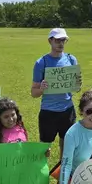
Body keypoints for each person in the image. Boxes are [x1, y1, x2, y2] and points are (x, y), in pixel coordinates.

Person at [31, 28, 82, 160]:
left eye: (63, 40)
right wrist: (41, 89)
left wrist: (77, 84)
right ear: (50, 41)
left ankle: (62, 176)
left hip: (67, 110)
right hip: (48, 112)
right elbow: (34, 92)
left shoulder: (71, 60)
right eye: (57, 40)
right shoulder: (41, 63)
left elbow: (76, 88)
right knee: (44, 148)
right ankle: (40, 175)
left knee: (66, 146)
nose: (61, 43)